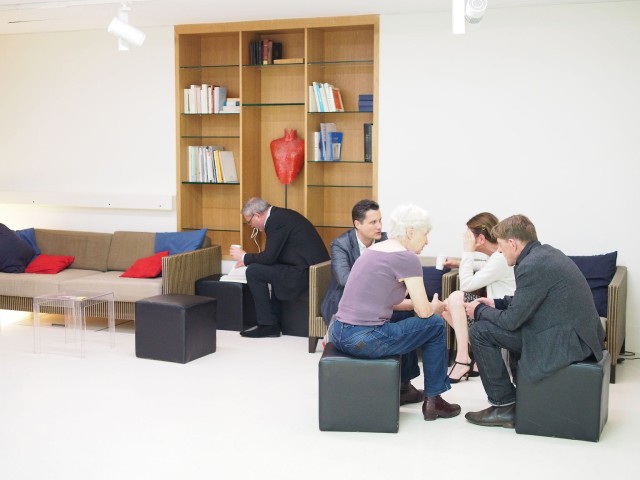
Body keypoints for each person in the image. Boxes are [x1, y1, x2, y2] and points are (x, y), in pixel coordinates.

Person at [464, 214, 606, 428]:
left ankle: (504, 406)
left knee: (480, 331)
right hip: (577, 334)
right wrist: (495, 303)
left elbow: (511, 321)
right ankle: (519, 396)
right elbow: (528, 300)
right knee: (503, 325)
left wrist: (479, 310)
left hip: (569, 342)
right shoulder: (545, 254)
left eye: (501, 245)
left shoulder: (531, 265)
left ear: (512, 243)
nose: (499, 251)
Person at [329, 204, 461, 421]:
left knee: (403, 316)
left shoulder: (374, 251)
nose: (427, 241)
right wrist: (434, 307)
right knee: (435, 325)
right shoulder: (406, 258)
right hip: (363, 339)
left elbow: (386, 302)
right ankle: (434, 400)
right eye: (425, 234)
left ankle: (404, 387)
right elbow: (425, 313)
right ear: (410, 231)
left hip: (339, 332)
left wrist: (419, 306)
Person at [320, 199, 423, 405]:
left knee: (405, 315)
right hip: (344, 299)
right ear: (357, 224)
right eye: (372, 222)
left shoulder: (387, 241)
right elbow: (345, 280)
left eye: (380, 221)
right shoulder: (341, 244)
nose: (379, 226)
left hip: (381, 302)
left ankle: (405, 383)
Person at [230, 197, 329, 338]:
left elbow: (269, 257)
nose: (250, 226)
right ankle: (273, 320)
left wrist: (245, 257)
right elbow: (273, 255)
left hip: (306, 273)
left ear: (257, 215)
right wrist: (247, 260)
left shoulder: (275, 221)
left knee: (254, 272)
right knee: (262, 268)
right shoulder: (281, 215)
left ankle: (268, 325)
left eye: (249, 221)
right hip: (312, 269)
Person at [442, 212, 516, 382]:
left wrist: (467, 252)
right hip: (497, 310)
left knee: (456, 297)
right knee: (446, 307)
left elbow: (465, 285)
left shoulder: (499, 258)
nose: (465, 240)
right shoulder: (498, 255)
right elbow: (486, 266)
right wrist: (458, 263)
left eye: (468, 236)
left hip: (503, 312)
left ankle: (463, 359)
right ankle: (480, 354)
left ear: (481, 239)